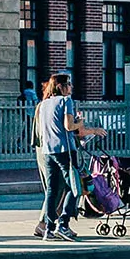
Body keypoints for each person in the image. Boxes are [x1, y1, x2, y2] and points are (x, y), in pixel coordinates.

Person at [31, 74, 90, 241]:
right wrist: (80, 122)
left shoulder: (43, 105)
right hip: (65, 150)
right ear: (61, 86)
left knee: (52, 190)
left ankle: (48, 228)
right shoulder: (66, 101)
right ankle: (63, 224)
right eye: (69, 84)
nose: (71, 87)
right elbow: (69, 126)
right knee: (74, 187)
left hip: (48, 151)